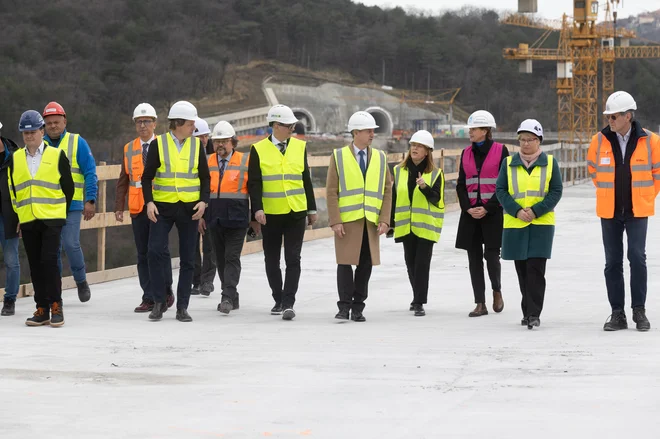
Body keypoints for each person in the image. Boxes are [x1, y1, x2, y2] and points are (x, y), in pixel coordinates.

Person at [587, 91, 660, 332]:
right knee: (612, 262)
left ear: (628, 116)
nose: (609, 120)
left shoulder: (651, 141)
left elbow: (657, 175)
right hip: (609, 211)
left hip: (637, 210)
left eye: (614, 116)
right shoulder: (599, 140)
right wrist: (609, 194)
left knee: (637, 258)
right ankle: (617, 313)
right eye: (608, 116)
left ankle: (639, 310)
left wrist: (645, 195)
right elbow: (593, 170)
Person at [141, 101, 210, 322]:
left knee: (189, 258)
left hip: (190, 209)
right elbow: (146, 177)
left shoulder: (197, 146)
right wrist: (149, 202)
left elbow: (205, 177)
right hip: (162, 207)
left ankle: (182, 307)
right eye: (191, 124)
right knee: (154, 252)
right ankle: (159, 301)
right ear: (178, 123)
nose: (194, 128)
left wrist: (204, 202)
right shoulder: (158, 144)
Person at [248, 104, 317, 321]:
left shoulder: (299, 146)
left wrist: (312, 209)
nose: (292, 130)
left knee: (293, 258)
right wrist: (256, 209)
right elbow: (254, 183)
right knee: (271, 259)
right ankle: (278, 298)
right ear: (276, 126)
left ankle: (289, 303)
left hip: (296, 211)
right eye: (289, 126)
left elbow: (306, 178)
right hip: (271, 213)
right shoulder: (258, 149)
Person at [8, 110, 74, 326]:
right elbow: (13, 190)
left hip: (52, 218)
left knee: (49, 261)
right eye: (25, 133)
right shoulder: (16, 158)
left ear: (42, 131)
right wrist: (19, 215)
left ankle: (56, 305)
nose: (29, 136)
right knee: (35, 264)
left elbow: (68, 188)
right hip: (28, 219)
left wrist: (61, 212)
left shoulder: (56, 155)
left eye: (33, 132)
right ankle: (42, 308)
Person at [495, 119, 562, 329]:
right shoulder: (508, 163)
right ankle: (527, 311)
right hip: (516, 224)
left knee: (536, 269)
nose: (525, 144)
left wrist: (535, 211)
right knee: (522, 270)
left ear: (539, 140)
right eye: (522, 139)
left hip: (541, 224)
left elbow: (556, 191)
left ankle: (534, 313)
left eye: (530, 139)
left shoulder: (550, 163)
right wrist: (516, 210)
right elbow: (501, 190)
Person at [326, 111, 392, 322]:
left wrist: (385, 219)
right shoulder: (338, 156)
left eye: (373, 130)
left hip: (370, 221)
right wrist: (335, 220)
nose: (372, 134)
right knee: (345, 263)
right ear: (355, 132)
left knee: (366, 264)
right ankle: (344, 306)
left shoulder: (381, 158)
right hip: (347, 221)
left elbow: (388, 190)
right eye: (368, 131)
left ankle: (358, 307)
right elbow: (331, 191)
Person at [114, 103, 174, 313]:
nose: (142, 125)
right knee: (142, 254)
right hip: (137, 207)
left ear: (155, 123)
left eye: (146, 121)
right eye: (139, 122)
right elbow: (124, 179)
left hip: (160, 205)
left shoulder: (165, 145)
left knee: (159, 251)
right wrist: (119, 205)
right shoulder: (129, 148)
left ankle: (166, 291)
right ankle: (148, 296)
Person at [455, 110, 509, 317]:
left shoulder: (501, 151)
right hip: (470, 214)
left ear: (486, 130)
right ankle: (480, 302)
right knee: (473, 258)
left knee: (491, 255)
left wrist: (487, 207)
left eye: (474, 128)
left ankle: (497, 290)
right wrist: (468, 207)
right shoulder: (465, 153)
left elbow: (505, 184)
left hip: (492, 212)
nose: (470, 132)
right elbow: (461, 184)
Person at [42, 101, 97, 302]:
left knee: (70, 243)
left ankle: (81, 281)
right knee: (52, 248)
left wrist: (90, 200)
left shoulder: (77, 142)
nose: (53, 126)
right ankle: (56, 290)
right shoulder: (41, 145)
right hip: (48, 205)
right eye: (49, 123)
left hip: (72, 204)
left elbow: (90, 172)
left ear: (64, 121)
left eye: (56, 122)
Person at [390, 130, 443, 317]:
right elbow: (394, 198)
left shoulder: (436, 174)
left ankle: (419, 301)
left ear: (427, 151)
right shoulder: (398, 171)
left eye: (419, 146)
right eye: (413, 145)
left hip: (425, 225)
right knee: (410, 263)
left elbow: (437, 199)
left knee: (422, 264)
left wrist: (424, 187)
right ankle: (416, 296)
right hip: (406, 225)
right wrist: (389, 223)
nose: (415, 148)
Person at [199, 121, 249, 314]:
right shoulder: (207, 161)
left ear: (233, 142)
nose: (220, 145)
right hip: (214, 218)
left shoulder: (245, 161)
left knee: (231, 257)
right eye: (217, 141)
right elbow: (201, 191)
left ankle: (227, 296)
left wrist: (254, 217)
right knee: (219, 259)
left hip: (237, 218)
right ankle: (232, 296)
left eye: (224, 141)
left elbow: (253, 189)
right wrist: (201, 216)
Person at [191, 118, 217, 296]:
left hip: (212, 206)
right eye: (201, 137)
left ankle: (207, 281)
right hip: (192, 205)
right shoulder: (188, 157)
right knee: (192, 246)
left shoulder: (213, 158)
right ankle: (196, 281)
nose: (205, 140)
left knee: (210, 246)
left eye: (206, 136)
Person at [0, 121, 20, 317]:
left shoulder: (15, 156)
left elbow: (23, 187)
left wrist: (22, 216)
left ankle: (10, 300)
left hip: (10, 215)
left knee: (11, 260)